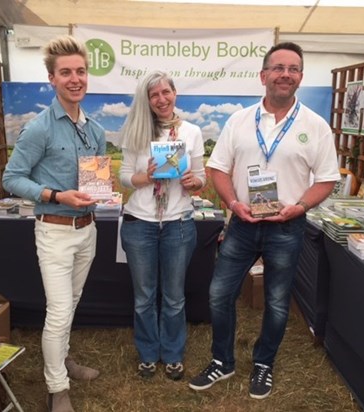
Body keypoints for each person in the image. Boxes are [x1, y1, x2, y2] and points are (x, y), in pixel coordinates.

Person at [189, 42, 340, 399]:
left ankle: (263, 364)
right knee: (218, 294)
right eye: (278, 67)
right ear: (263, 75)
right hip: (242, 223)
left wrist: (300, 207)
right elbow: (218, 168)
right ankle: (222, 361)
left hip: (287, 226)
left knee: (276, 301)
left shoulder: (315, 126)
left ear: (300, 77)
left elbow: (327, 179)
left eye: (293, 68)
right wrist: (232, 203)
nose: (285, 74)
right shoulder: (239, 121)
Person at [2, 35, 105, 412]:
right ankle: (56, 388)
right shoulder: (39, 128)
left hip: (87, 230)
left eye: (80, 71)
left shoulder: (94, 130)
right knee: (59, 311)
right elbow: (11, 179)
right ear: (52, 79)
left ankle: (62, 361)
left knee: (71, 305)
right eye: (66, 73)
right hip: (54, 231)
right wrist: (56, 195)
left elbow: (94, 180)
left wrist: (102, 193)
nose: (75, 79)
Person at [119, 70, 206, 381]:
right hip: (139, 222)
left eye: (165, 92)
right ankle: (147, 353)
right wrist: (147, 177)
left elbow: (201, 178)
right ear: (147, 100)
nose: (161, 99)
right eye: (154, 94)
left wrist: (193, 181)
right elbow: (124, 176)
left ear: (175, 93)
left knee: (173, 296)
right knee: (144, 296)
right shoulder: (136, 131)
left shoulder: (192, 132)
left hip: (178, 223)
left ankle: (172, 354)